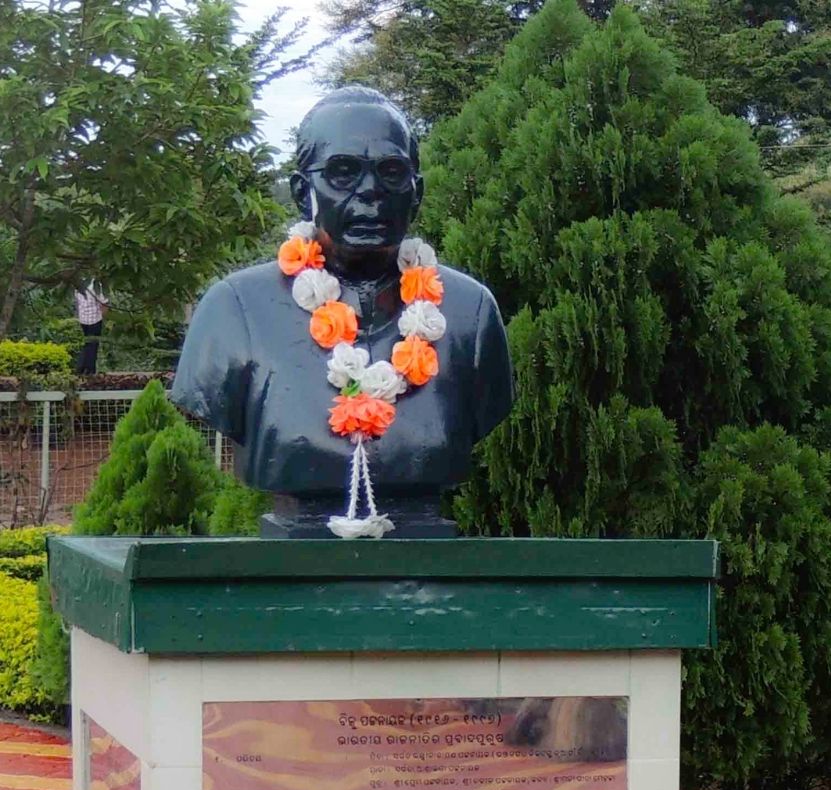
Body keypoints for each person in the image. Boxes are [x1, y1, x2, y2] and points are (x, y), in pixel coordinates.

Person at [172, 87, 514, 538]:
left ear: (417, 193)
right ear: (302, 192)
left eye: (391, 172)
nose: (370, 193)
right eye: (342, 172)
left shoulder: (471, 312)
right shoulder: (234, 309)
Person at [74, 283, 107, 374]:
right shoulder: (96, 286)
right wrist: (104, 318)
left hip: (83, 320)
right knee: (92, 345)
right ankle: (88, 369)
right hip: (95, 320)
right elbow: (104, 303)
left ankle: (83, 368)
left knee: (87, 344)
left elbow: (77, 303)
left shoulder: (78, 286)